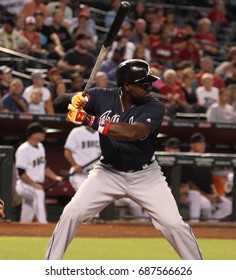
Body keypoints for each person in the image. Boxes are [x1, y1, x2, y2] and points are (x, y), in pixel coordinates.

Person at [44, 59, 203, 260]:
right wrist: (74, 100)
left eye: (149, 82)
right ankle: (49, 266)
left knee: (173, 224)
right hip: (107, 173)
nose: (149, 87)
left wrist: (88, 119)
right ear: (127, 86)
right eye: (143, 84)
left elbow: (132, 132)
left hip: (145, 175)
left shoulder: (154, 106)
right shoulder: (101, 96)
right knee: (71, 213)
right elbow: (59, 103)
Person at [15, 122, 62, 223]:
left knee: (28, 209)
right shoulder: (23, 149)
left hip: (34, 185)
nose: (44, 134)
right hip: (24, 185)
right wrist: (34, 184)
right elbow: (21, 172)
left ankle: (23, 227)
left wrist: (56, 177)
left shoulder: (40, 146)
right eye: (41, 132)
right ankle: (43, 223)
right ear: (34, 134)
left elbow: (44, 167)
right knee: (38, 194)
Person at [182, 132, 232, 222]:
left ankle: (210, 224)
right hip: (195, 194)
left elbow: (210, 181)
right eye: (200, 143)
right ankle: (200, 228)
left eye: (204, 143)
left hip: (209, 195)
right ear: (192, 145)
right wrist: (205, 195)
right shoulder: (187, 159)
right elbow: (189, 182)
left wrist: (215, 194)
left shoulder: (205, 158)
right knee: (206, 205)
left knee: (228, 206)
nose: (203, 145)